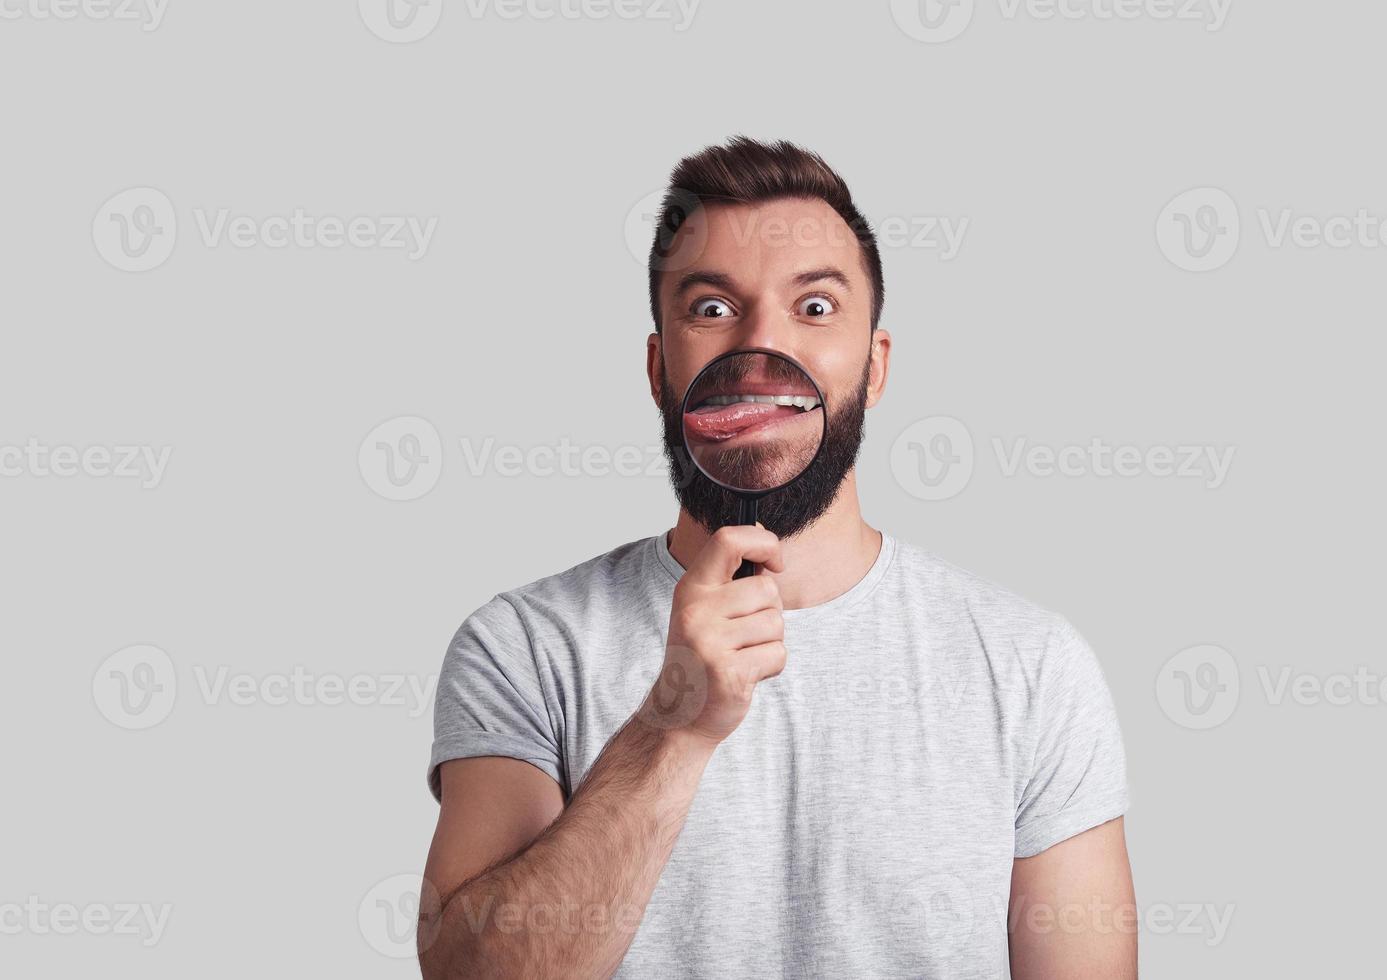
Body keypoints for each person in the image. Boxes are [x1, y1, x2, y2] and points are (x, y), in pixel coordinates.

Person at [419, 136, 1136, 979]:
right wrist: (671, 732)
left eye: (816, 308)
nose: (761, 351)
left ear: (873, 369)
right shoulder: (526, 644)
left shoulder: (1030, 665)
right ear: (659, 368)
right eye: (712, 309)